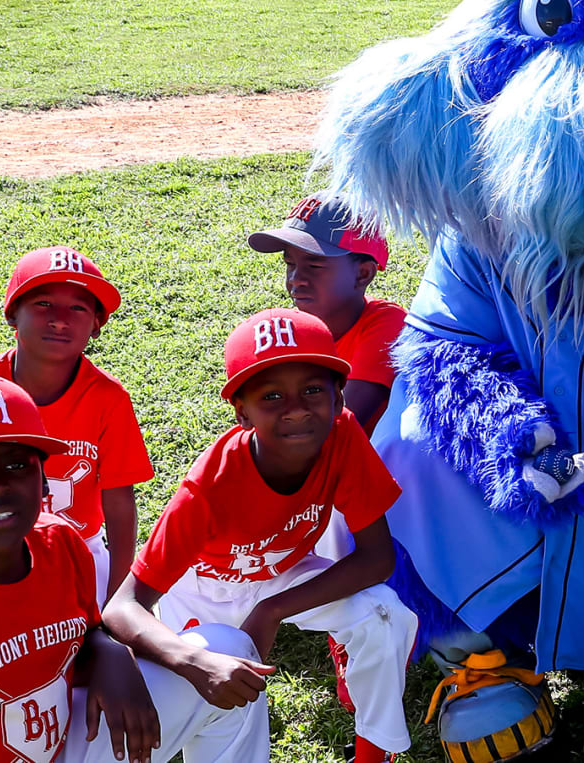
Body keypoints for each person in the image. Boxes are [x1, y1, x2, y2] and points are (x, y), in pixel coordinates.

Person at [0, 371, 266, 763]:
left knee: (228, 650)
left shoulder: (59, 542)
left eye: (16, 464)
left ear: (42, 478)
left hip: (65, 744)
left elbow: (81, 631)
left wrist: (108, 651)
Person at [102, 309, 418, 763]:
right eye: (271, 396)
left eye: (313, 389)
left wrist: (271, 610)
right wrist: (189, 661)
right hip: (203, 591)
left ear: (338, 395)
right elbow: (124, 605)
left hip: (283, 572)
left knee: (385, 615)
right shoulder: (211, 485)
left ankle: (373, 752)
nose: (296, 409)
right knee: (215, 696)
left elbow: (376, 558)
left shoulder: (342, 433)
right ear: (242, 412)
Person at [0, 246, 153, 605]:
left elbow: (120, 503)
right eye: (43, 304)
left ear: (96, 324)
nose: (60, 319)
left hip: (78, 549)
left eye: (78, 307)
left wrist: (120, 597)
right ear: (13, 314)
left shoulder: (107, 398)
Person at [248, 192, 405, 434]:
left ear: (363, 274)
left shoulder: (387, 322)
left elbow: (340, 427)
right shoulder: (295, 332)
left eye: (314, 265)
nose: (296, 279)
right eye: (290, 264)